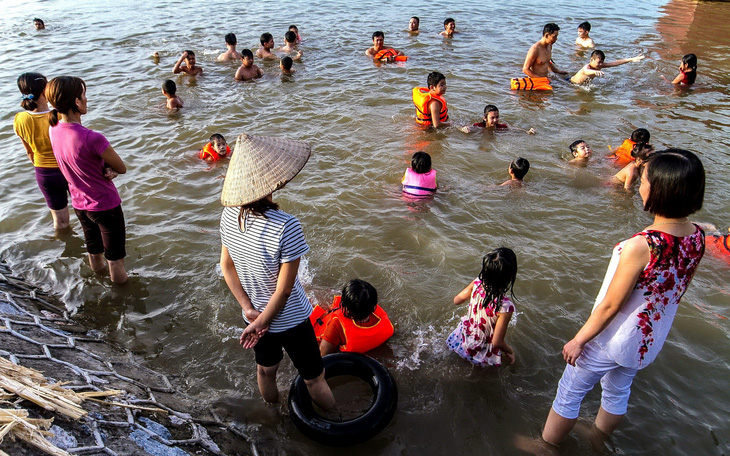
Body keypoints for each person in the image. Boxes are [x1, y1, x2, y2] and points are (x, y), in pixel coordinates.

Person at [542, 149, 706, 447]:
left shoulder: (642, 245)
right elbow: (677, 288)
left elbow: (611, 305)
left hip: (611, 337)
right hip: (647, 339)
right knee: (618, 390)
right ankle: (597, 440)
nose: (640, 183)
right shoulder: (697, 237)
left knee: (570, 391)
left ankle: (546, 447)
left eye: (644, 179)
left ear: (660, 191)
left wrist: (579, 340)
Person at [219, 133, 335, 409]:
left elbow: (227, 266)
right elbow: (283, 292)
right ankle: (339, 425)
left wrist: (250, 312)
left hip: (255, 313)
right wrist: (262, 323)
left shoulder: (228, 215)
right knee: (314, 379)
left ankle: (274, 419)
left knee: (265, 371)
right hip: (291, 319)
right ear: (271, 182)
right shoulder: (287, 225)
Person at [46, 76, 128, 284]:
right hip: (105, 205)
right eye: (84, 96)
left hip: (80, 205)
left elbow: (78, 162)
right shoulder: (93, 138)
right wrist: (110, 170)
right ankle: (123, 301)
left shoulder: (53, 129)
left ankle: (99, 286)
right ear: (76, 102)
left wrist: (102, 168)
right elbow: (121, 167)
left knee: (94, 253)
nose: (86, 100)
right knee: (115, 262)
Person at [13, 72, 70, 230]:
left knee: (60, 222)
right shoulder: (59, 116)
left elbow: (30, 153)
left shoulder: (19, 119)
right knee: (85, 215)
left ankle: (64, 251)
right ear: (46, 90)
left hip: (44, 174)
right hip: (67, 170)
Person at [447, 248, 518, 366]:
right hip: (480, 351)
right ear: (510, 277)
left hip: (461, 337)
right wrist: (510, 350)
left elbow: (456, 300)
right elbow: (497, 342)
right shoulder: (505, 307)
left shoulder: (477, 282)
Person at [310, 279, 394, 355]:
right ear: (373, 307)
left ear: (346, 309)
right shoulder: (379, 316)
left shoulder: (337, 325)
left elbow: (323, 354)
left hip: (322, 327)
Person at [516, 23, 568, 90]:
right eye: (554, 36)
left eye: (557, 36)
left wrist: (558, 71)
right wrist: (542, 80)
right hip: (537, 82)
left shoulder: (549, 46)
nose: (556, 39)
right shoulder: (535, 49)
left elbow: (547, 62)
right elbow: (525, 69)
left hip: (546, 80)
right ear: (546, 35)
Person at [570, 50, 644, 85]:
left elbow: (614, 63)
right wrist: (595, 72)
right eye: (598, 62)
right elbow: (586, 71)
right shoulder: (587, 66)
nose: (600, 64)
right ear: (591, 59)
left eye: (602, 62)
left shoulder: (600, 65)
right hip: (571, 83)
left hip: (581, 84)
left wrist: (630, 59)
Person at [460, 105, 536, 134]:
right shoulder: (478, 126)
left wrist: (527, 131)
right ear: (485, 118)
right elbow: (463, 127)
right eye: (492, 118)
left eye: (497, 117)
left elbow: (513, 129)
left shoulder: (501, 127)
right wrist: (464, 129)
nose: (495, 120)